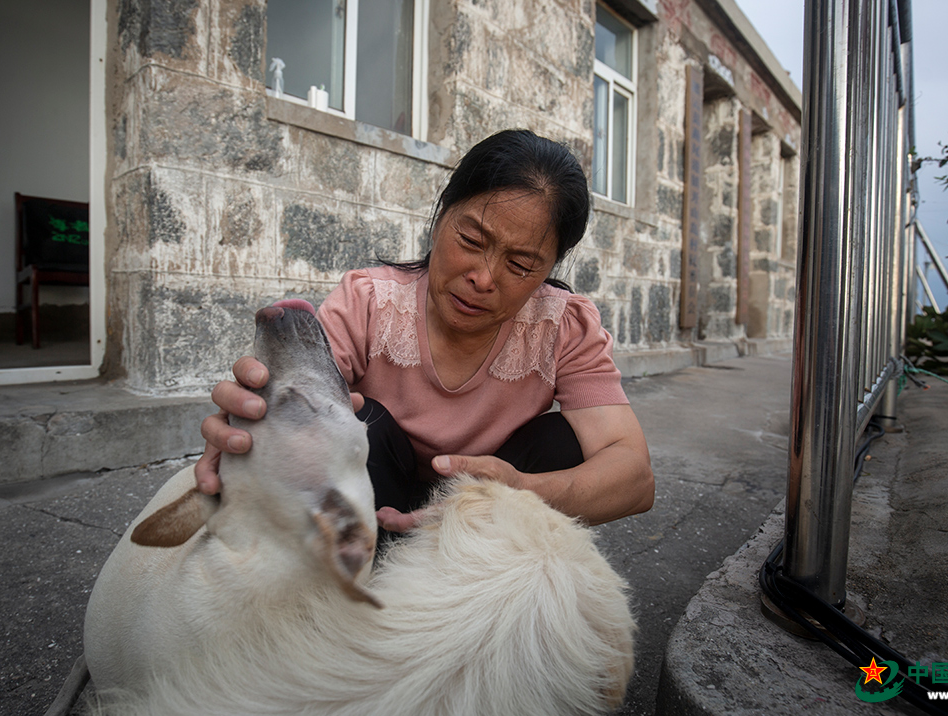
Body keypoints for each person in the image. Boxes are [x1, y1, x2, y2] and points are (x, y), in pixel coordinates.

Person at [195, 129, 654, 536]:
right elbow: (300, 397)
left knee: (564, 442)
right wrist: (256, 421)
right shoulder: (371, 302)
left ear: (548, 269)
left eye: (520, 265)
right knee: (361, 420)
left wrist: (516, 493)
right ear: (440, 219)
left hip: (486, 525)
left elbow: (634, 479)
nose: (484, 278)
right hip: (375, 504)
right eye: (472, 241)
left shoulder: (562, 326)